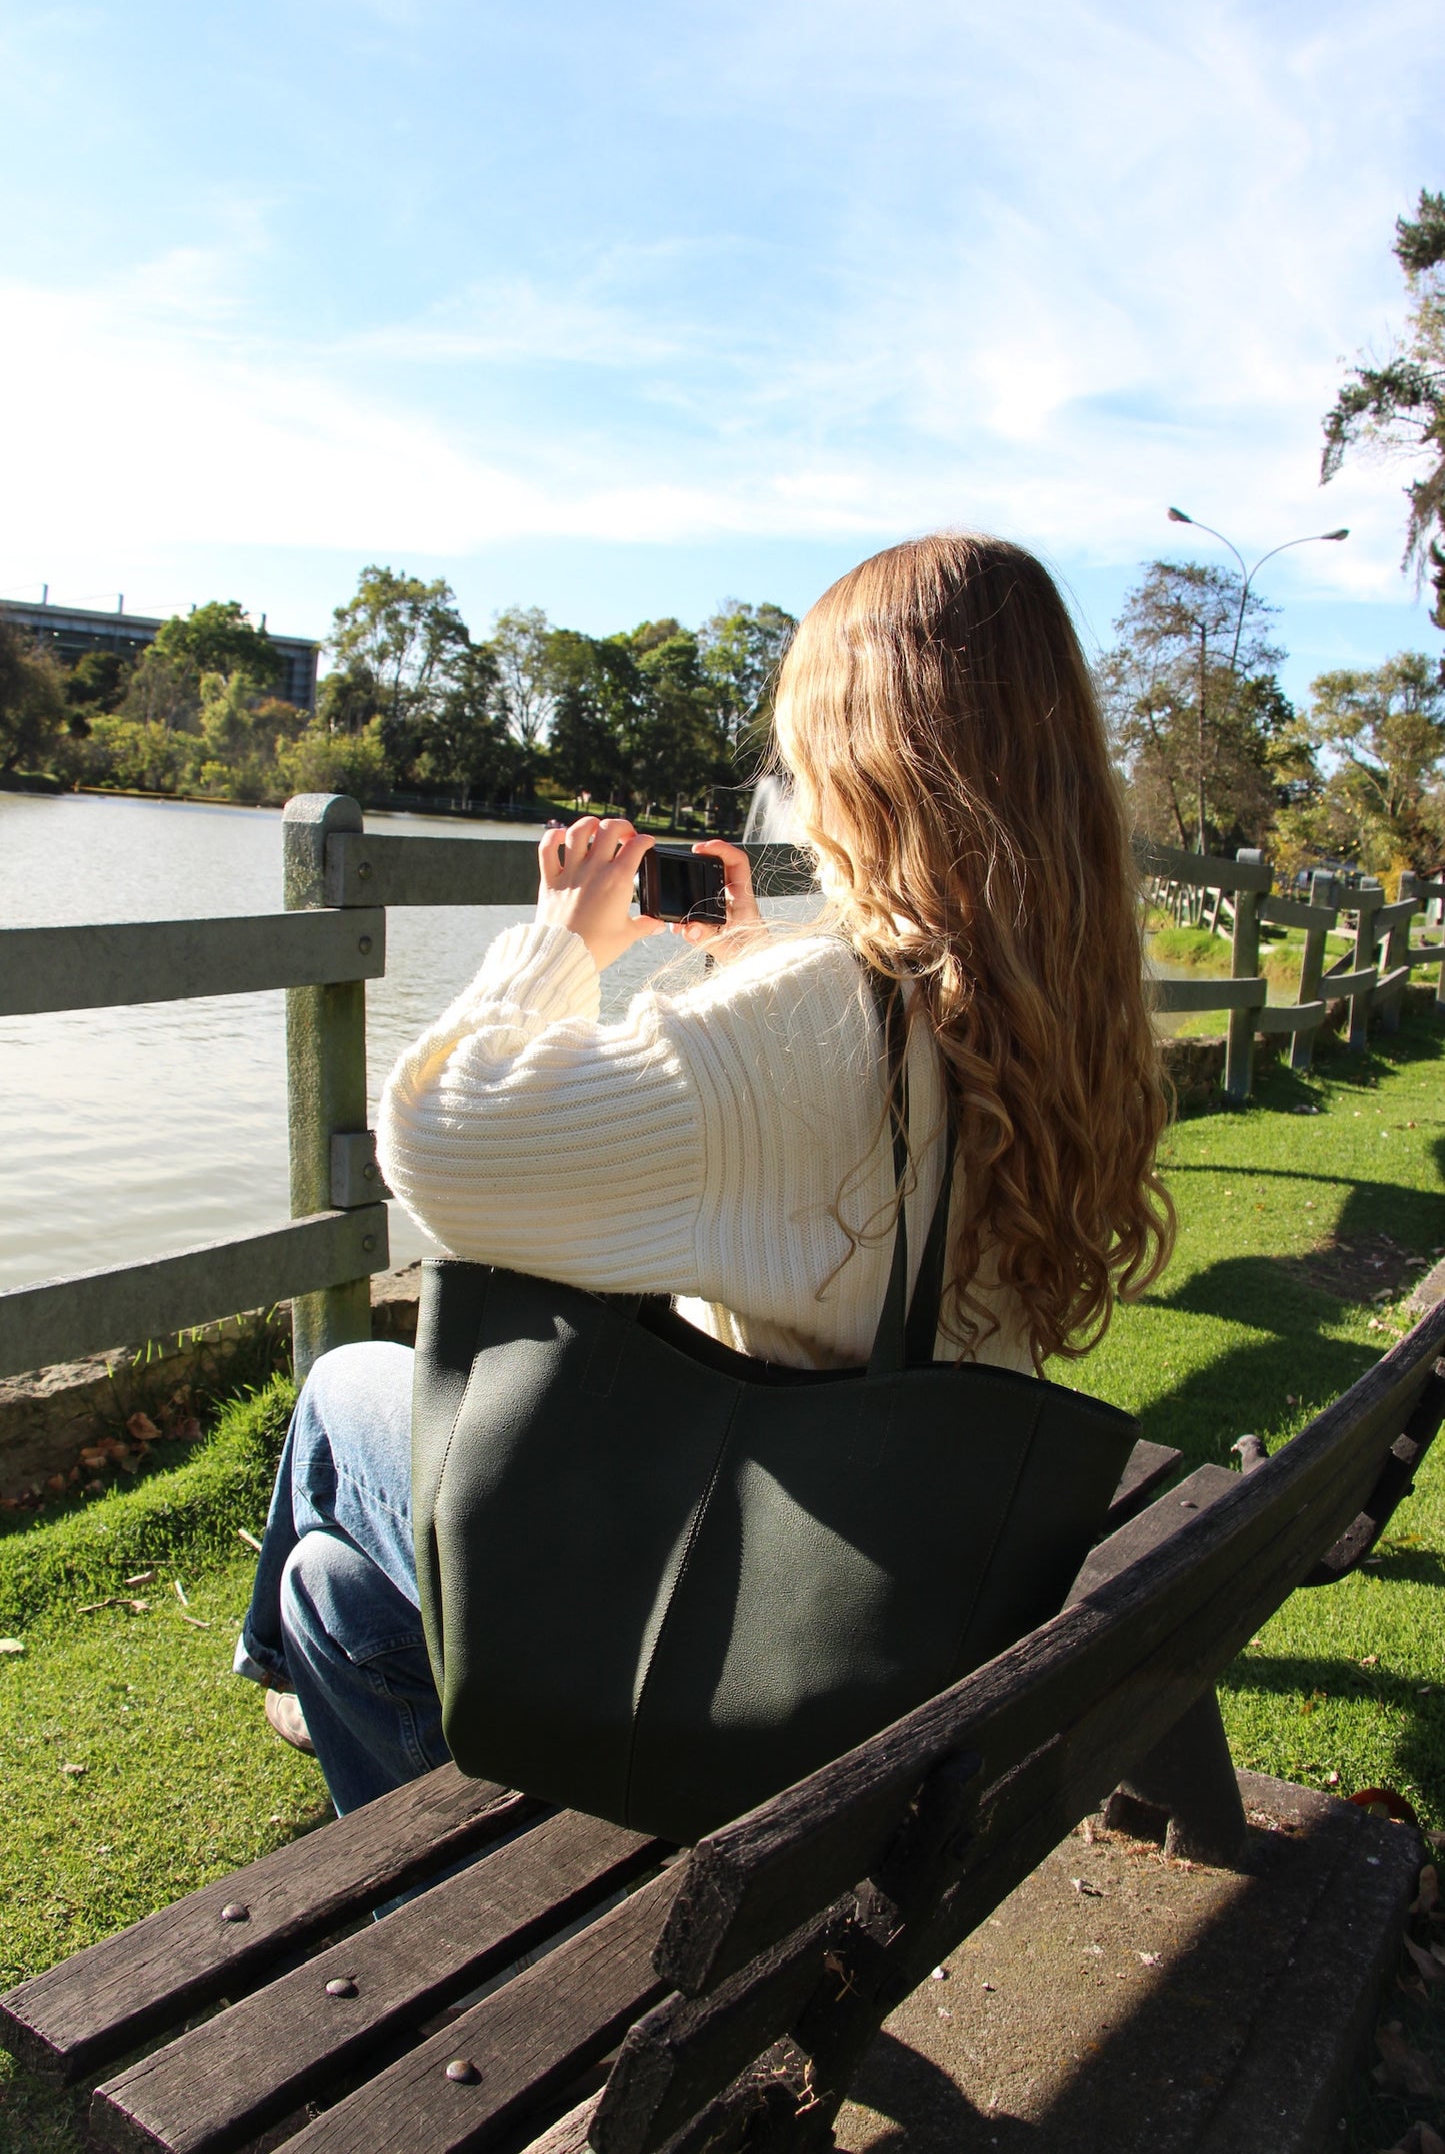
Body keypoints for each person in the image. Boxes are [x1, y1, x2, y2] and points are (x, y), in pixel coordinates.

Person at [235, 532, 1175, 1815]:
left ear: (864, 759)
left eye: (798, 756)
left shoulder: (824, 1013)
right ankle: (302, 1658)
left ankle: (285, 1677)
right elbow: (837, 1146)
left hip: (765, 1621)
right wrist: (746, 958)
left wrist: (558, 944)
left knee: (344, 1391)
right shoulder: (1069, 1006)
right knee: (331, 1588)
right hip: (917, 1591)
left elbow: (442, 1145)